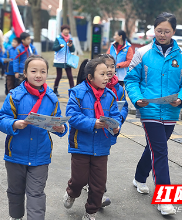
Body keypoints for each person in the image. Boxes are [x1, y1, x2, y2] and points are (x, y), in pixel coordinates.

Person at [124, 12, 182, 216]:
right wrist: (137, 98)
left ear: (173, 32)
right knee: (160, 151)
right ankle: (165, 200)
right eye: (158, 30)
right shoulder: (142, 53)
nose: (162, 34)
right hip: (149, 109)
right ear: (154, 30)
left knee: (154, 148)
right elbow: (131, 80)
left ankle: (139, 177)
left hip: (171, 110)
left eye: (166, 31)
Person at [0, 54, 68, 220]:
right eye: (34, 71)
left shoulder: (52, 98)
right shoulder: (15, 96)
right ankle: (16, 216)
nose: (38, 75)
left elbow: (59, 122)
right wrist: (14, 124)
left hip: (40, 155)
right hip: (15, 155)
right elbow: (0, 120)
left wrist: (61, 128)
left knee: (36, 193)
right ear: (25, 73)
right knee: (15, 191)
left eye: (43, 71)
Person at [63, 58, 122, 220]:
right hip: (80, 145)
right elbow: (72, 116)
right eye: (102, 74)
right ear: (90, 77)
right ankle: (72, 192)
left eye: (107, 74)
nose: (106, 77)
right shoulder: (78, 92)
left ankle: (91, 212)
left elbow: (116, 116)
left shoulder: (110, 96)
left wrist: (116, 127)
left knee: (98, 185)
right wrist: (92, 123)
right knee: (79, 180)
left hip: (102, 146)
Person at [53, 24, 75, 96]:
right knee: (59, 76)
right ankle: (55, 90)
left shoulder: (70, 39)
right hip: (59, 60)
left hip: (68, 60)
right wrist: (59, 46)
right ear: (62, 31)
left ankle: (72, 91)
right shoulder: (58, 38)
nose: (66, 31)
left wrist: (71, 46)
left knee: (70, 76)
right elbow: (54, 48)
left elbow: (73, 50)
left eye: (67, 30)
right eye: (65, 30)